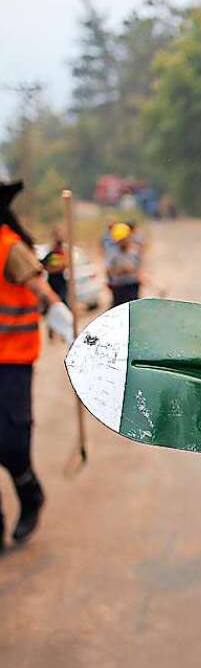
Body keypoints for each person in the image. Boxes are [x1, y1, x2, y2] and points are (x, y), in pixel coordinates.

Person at [0, 181, 74, 552]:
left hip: (11, 361)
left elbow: (42, 292)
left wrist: (66, 325)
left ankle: (30, 493)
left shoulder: (9, 248)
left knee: (11, 444)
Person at [106, 222, 142, 307]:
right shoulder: (112, 254)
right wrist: (119, 270)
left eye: (123, 239)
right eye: (120, 240)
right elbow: (108, 271)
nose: (122, 242)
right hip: (118, 287)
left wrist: (132, 271)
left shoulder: (134, 252)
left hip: (132, 286)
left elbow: (138, 269)